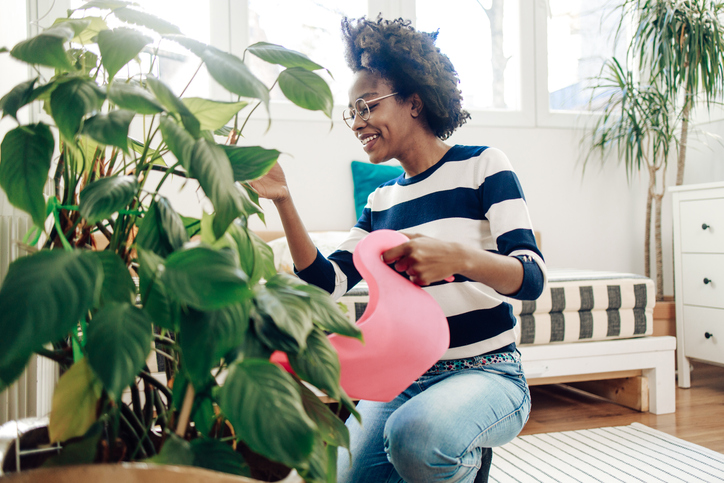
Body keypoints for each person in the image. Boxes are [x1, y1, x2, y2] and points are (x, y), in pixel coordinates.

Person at [250, 16, 546, 483]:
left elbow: (531, 277)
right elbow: (329, 283)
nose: (357, 122)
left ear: (414, 102)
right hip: (404, 376)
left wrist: (459, 258)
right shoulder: (380, 200)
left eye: (367, 106)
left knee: (416, 439)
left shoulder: (484, 166)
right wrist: (285, 203)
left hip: (489, 373)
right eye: (352, 112)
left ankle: (466, 459)